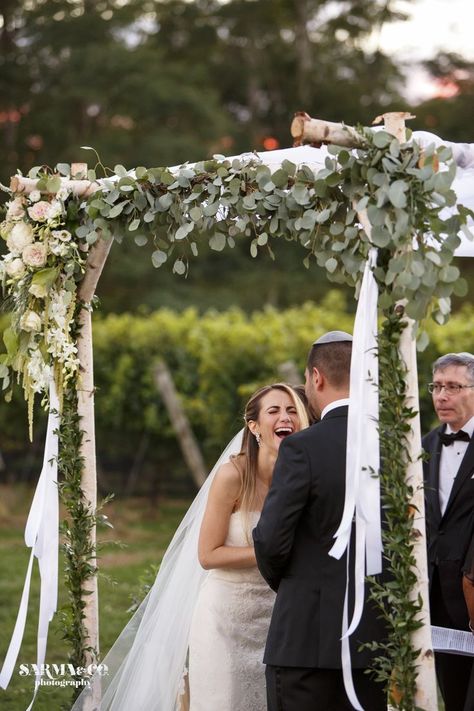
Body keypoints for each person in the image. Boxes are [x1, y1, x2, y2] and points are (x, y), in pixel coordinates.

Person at [71, 382, 308, 711]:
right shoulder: (233, 475)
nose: (286, 417)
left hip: (277, 620)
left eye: (293, 409)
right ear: (254, 426)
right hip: (225, 622)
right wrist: (272, 553)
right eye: (274, 411)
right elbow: (208, 554)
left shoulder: (301, 476)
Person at [253, 331, 387, 711]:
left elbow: (271, 539)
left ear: (316, 377)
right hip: (374, 642)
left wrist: (299, 588)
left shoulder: (302, 446)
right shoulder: (397, 444)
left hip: (305, 641)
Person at [423, 352, 474, 711]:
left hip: (473, 589)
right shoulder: (422, 447)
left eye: (453, 387)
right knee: (452, 695)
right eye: (437, 387)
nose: (442, 396)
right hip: (435, 595)